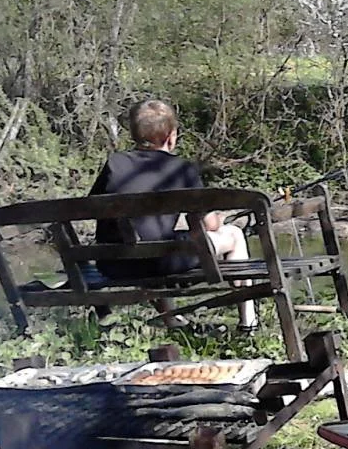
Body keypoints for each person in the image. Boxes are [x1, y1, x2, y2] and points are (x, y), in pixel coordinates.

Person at [88, 99, 257, 330]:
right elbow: (208, 224)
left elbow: (90, 206)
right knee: (235, 234)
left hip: (114, 265)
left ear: (135, 135)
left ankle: (171, 319)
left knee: (155, 244)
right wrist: (220, 218)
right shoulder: (182, 169)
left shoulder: (114, 164)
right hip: (163, 263)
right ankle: (248, 323)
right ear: (171, 136)